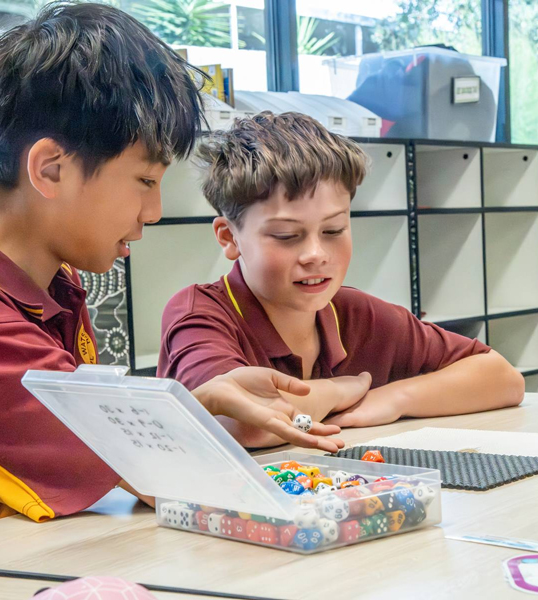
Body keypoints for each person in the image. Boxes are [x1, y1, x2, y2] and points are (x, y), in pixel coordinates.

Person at [0, 4, 339, 535]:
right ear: (50, 170)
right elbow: (156, 470)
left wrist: (199, 400)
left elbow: (93, 443)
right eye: (146, 182)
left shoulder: (48, 285)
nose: (152, 213)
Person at [158, 111, 525, 448]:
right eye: (287, 236)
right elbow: (245, 423)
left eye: (333, 230)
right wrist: (338, 390)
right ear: (229, 237)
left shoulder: (359, 314)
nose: (316, 254)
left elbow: (502, 378)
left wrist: (393, 398)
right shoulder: (199, 315)